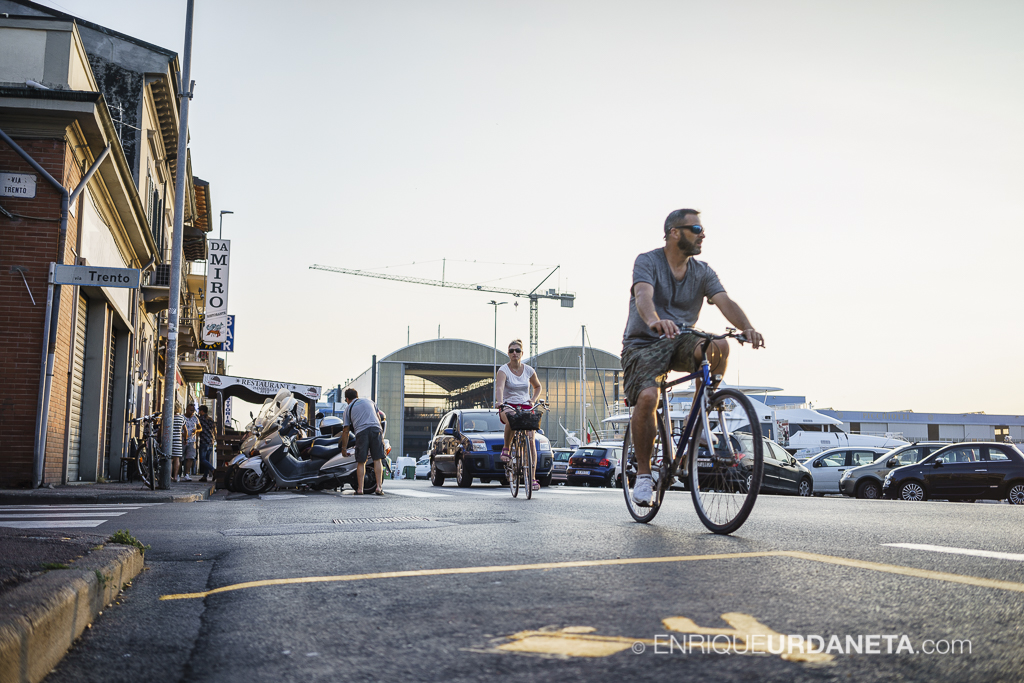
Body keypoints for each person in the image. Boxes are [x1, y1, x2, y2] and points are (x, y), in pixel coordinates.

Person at [622, 208, 764, 506]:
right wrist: (653, 320)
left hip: (682, 338)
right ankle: (645, 475)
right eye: (696, 229)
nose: (702, 235)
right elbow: (643, 296)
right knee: (648, 397)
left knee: (719, 346)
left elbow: (724, 301)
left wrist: (747, 328)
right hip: (644, 342)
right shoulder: (648, 261)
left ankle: (697, 418)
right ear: (675, 232)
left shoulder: (702, 271)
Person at [494, 338, 543, 491]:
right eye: (511, 350)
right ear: (508, 353)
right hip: (508, 405)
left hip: (525, 406)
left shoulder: (528, 370)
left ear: (522, 353)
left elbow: (538, 386)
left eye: (517, 350)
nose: (514, 353)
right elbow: (500, 388)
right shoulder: (503, 370)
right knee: (511, 417)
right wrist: (500, 401)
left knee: (531, 437)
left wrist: (533, 399)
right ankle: (507, 448)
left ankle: (532, 478)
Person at [340, 388, 386, 495]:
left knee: (361, 461)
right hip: (376, 429)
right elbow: (378, 418)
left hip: (361, 432)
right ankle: (379, 487)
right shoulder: (370, 402)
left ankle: (360, 489)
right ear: (357, 395)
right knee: (377, 459)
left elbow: (346, 430)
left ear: (347, 399)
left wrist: (344, 448)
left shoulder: (348, 408)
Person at [180, 403, 201, 482]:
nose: (192, 412)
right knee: (179, 457)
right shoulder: (182, 417)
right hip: (181, 440)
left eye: (193, 410)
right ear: (187, 409)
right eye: (190, 410)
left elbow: (200, 428)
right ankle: (178, 474)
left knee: (190, 458)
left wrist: (196, 431)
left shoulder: (195, 418)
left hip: (192, 440)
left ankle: (186, 474)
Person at [196, 405, 216, 482]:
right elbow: (215, 430)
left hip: (204, 441)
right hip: (211, 441)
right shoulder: (210, 419)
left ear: (202, 411)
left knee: (203, 459)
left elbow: (198, 429)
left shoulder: (200, 419)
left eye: (199, 411)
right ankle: (205, 476)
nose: (199, 412)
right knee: (207, 459)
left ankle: (213, 470)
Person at [171, 407, 184, 482]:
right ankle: (175, 477)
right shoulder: (181, 418)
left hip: (169, 440)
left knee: (169, 459)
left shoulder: (169, 416)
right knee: (177, 459)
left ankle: (169, 476)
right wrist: (185, 439)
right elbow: (185, 429)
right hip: (178, 440)